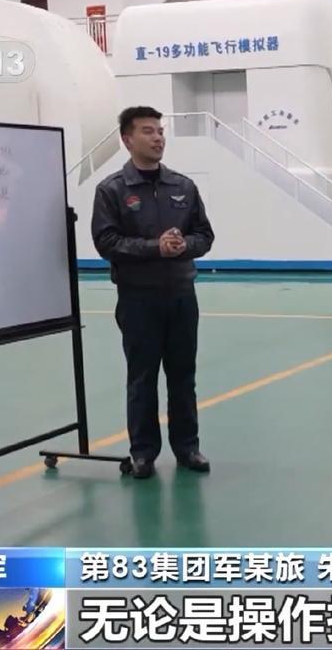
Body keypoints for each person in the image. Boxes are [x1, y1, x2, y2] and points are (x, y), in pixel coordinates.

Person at [91, 106, 216, 479]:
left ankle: (187, 448)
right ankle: (143, 453)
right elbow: (106, 242)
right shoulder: (112, 190)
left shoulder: (183, 186)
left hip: (181, 295)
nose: (158, 137)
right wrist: (154, 248)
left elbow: (204, 235)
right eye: (148, 131)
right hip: (138, 299)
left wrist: (184, 245)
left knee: (183, 375)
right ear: (127, 140)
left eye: (160, 131)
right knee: (142, 377)